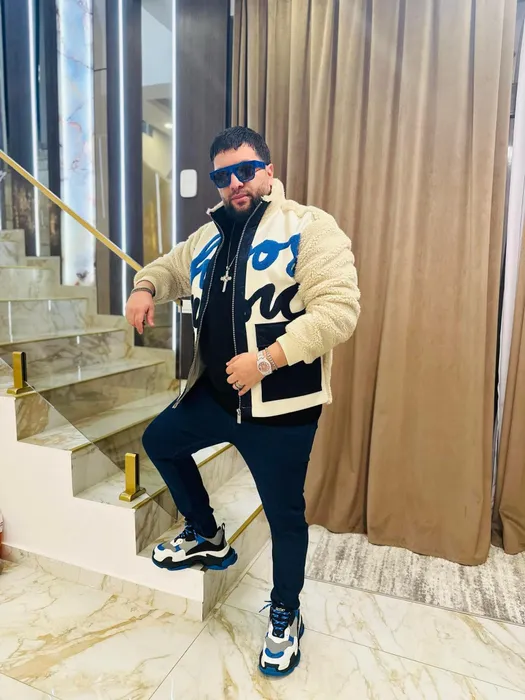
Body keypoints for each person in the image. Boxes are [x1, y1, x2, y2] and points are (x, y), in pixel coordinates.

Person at [126, 126, 360, 677]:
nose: (236, 183)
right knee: (161, 441)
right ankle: (206, 534)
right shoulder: (206, 236)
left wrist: (267, 360)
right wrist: (144, 287)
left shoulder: (308, 227)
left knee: (284, 516)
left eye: (246, 170)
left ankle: (285, 613)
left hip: (282, 409)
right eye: (223, 175)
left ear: (268, 172)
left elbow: (339, 311)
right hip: (215, 396)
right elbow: (168, 269)